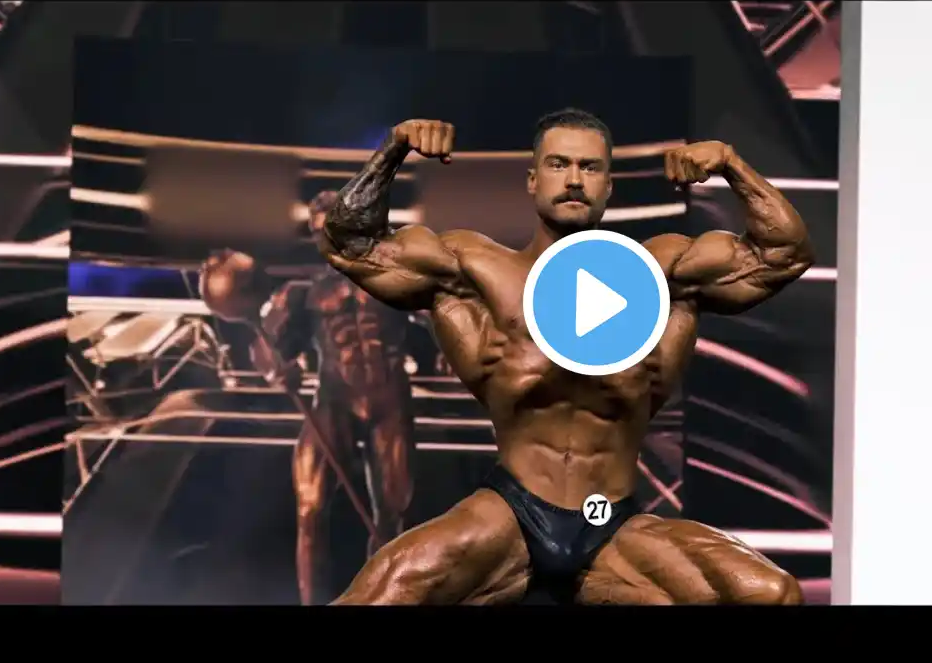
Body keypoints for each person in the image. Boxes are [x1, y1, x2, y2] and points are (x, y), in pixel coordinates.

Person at [318, 110, 812, 605]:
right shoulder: (477, 273)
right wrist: (394, 149)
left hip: (614, 525)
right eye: (558, 164)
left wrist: (730, 164)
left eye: (589, 167)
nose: (574, 179)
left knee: (771, 594)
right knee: (379, 596)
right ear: (532, 180)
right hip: (510, 516)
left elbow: (783, 254)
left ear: (608, 187)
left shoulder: (660, 275)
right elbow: (351, 246)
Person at [198, 190, 416, 605]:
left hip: (389, 400)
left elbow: (440, 316)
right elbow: (268, 347)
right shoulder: (304, 294)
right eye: (320, 231)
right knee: (310, 507)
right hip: (335, 402)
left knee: (393, 512)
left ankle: (384, 596)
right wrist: (276, 368)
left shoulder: (395, 281)